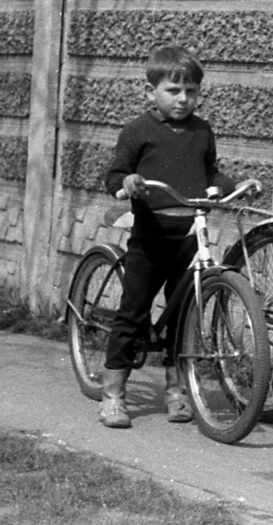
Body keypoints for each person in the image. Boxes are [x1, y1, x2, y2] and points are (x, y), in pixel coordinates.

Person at [99, 44, 233, 430]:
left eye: (190, 91)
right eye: (173, 91)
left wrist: (235, 185)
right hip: (151, 234)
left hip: (190, 236)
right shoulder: (138, 130)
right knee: (133, 313)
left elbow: (210, 176)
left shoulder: (202, 131)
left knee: (182, 317)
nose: (183, 99)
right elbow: (114, 175)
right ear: (150, 93)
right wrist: (127, 183)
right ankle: (113, 396)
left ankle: (176, 392)